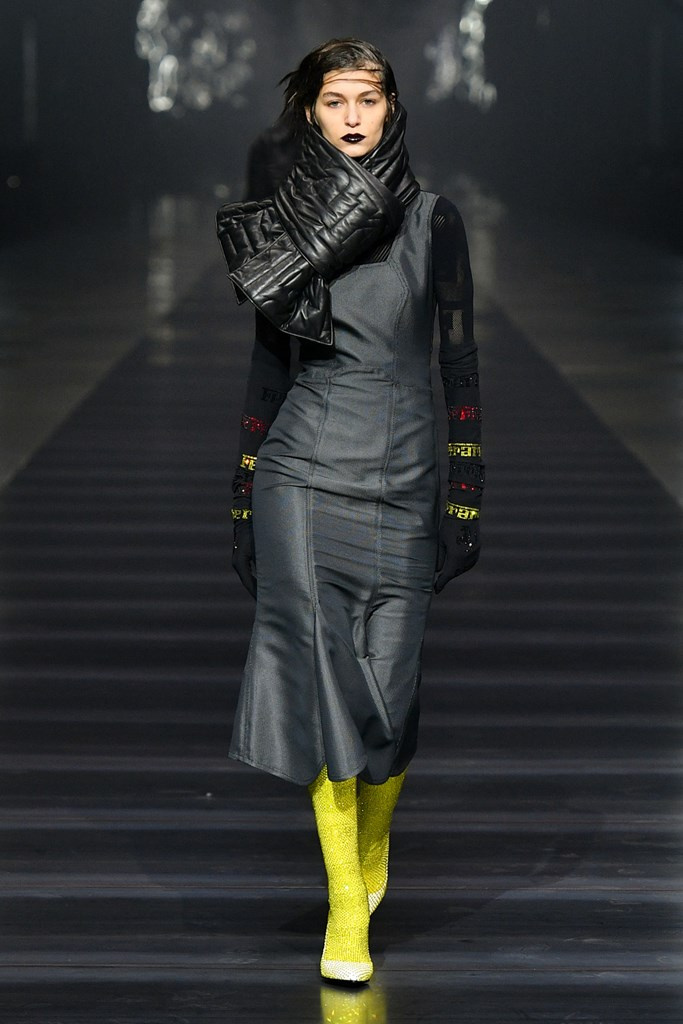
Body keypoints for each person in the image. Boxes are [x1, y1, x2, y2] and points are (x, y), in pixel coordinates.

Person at [216, 38, 484, 984]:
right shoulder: (281, 228)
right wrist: (244, 494)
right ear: (310, 113)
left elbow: (458, 363)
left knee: (390, 690)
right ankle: (344, 906)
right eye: (335, 100)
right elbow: (267, 368)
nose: (353, 116)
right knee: (325, 685)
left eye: (368, 98)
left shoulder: (434, 221)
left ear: (392, 107)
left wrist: (465, 492)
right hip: (301, 468)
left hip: (405, 470)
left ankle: (371, 848)